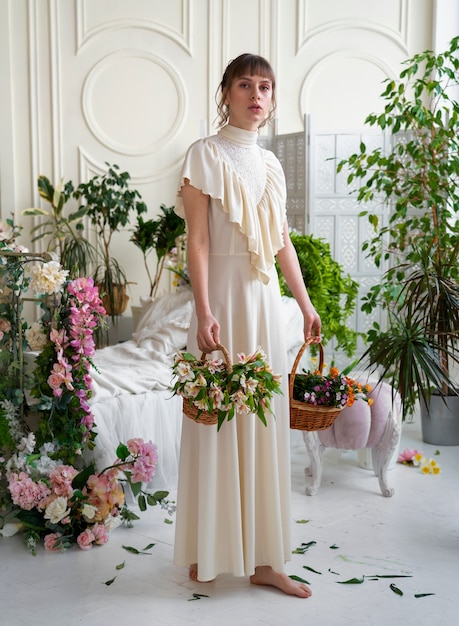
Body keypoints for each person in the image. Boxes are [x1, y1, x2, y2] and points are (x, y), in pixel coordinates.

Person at [173, 53, 321, 598]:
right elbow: (200, 241)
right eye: (245, 85)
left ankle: (264, 560)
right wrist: (204, 310)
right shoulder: (203, 155)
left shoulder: (274, 166)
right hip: (224, 304)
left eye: (266, 86)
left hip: (263, 303)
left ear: (274, 98)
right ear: (226, 93)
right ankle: (207, 550)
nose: (257, 95)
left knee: (263, 424)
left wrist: (304, 306)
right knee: (217, 420)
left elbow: (282, 243)